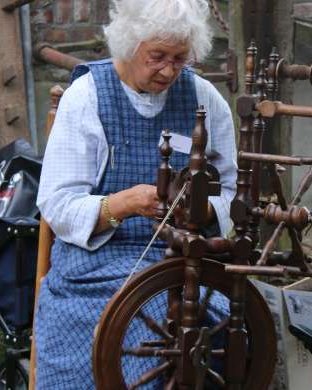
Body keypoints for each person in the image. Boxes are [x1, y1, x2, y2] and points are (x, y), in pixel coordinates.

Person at [35, 0, 237, 388]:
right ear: (130, 44)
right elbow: (57, 205)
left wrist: (200, 209)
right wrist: (123, 204)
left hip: (183, 260)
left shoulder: (205, 98)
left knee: (216, 317)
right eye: (157, 56)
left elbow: (232, 193)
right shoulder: (87, 97)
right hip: (94, 265)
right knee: (146, 315)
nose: (168, 70)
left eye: (180, 58)